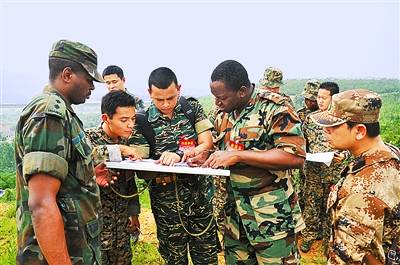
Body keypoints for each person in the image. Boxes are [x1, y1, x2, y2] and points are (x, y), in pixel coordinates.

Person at [203, 60, 306, 264]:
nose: (217, 103)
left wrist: (240, 155)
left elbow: (294, 156)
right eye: (215, 98)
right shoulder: (223, 113)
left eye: (221, 98)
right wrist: (204, 155)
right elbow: (222, 148)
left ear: (241, 91)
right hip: (235, 216)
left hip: (271, 215)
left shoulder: (274, 107)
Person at [15, 40, 106, 264]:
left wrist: (88, 176)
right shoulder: (49, 114)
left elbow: (61, 181)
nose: (92, 88)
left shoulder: (62, 112)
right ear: (67, 75)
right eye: (89, 80)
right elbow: (42, 204)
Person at [130, 67, 218, 264]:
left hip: (200, 199)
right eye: (159, 100)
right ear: (149, 93)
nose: (166, 104)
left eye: (171, 97)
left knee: (207, 257)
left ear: (179, 88)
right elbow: (139, 161)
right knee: (174, 259)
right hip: (166, 206)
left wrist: (180, 155)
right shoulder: (142, 121)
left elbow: (207, 142)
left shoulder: (191, 108)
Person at [310, 89, 400, 265]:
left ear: (359, 131)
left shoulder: (361, 190)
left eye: (333, 126)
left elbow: (347, 258)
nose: (325, 130)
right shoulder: (390, 154)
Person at [85, 90, 141, 265]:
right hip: (97, 229)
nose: (130, 125)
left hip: (121, 230)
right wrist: (120, 150)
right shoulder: (88, 138)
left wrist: (134, 214)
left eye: (133, 119)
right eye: (124, 120)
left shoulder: (126, 140)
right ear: (106, 118)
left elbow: (130, 183)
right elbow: (87, 158)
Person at [300, 82, 348, 254]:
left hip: (333, 172)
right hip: (313, 170)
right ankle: (309, 235)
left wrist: (345, 156)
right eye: (317, 97)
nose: (318, 100)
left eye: (323, 97)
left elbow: (351, 145)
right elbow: (302, 142)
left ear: (333, 98)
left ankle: (330, 242)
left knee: (331, 207)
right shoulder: (310, 119)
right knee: (311, 204)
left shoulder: (342, 120)